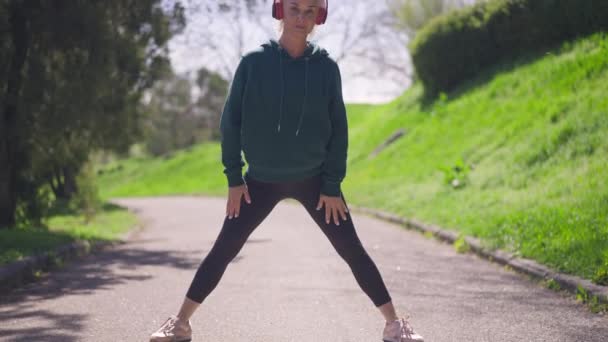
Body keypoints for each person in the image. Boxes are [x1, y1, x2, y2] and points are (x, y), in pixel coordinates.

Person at [149, 0, 424, 341]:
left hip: (315, 182)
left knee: (350, 248)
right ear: (281, 11)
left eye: (310, 11)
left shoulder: (326, 69)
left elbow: (339, 130)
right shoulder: (253, 64)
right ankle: (181, 323)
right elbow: (230, 123)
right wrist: (234, 179)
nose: (301, 18)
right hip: (259, 182)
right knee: (225, 248)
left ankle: (393, 324)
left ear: (318, 17)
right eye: (295, 9)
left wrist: (332, 184)